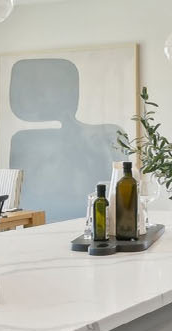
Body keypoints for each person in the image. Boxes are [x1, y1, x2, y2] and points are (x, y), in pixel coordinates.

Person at [7, 58, 126, 221]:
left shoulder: (106, 134)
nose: (41, 96)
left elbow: (117, 182)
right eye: (36, 89)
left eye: (49, 87)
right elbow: (31, 192)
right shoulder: (24, 142)